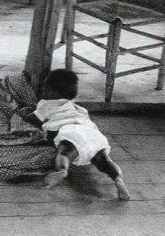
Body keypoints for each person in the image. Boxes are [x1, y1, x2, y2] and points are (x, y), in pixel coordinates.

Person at [24, 69, 130, 200]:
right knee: (104, 160)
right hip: (91, 133)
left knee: (66, 151)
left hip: (69, 130)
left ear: (51, 91)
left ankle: (62, 170)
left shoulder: (46, 105)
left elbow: (31, 118)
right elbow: (86, 120)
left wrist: (28, 113)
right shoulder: (78, 108)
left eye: (44, 88)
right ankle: (118, 178)